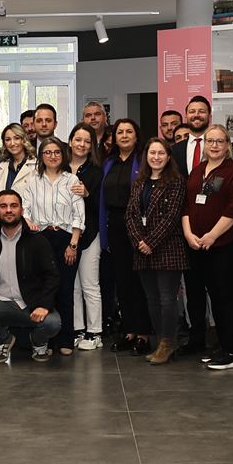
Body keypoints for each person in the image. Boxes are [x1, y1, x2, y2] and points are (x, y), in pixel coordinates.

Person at [184, 124, 233, 370]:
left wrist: (211, 236)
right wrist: (189, 234)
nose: (214, 145)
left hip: (222, 246)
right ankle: (220, 346)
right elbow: (187, 205)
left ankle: (230, 351)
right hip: (195, 245)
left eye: (220, 141)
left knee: (224, 298)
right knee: (201, 298)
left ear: (227, 145)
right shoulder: (198, 171)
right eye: (210, 141)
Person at [0, 190, 62, 361]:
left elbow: (52, 276)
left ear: (22, 210)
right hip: (1, 302)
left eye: (13, 206)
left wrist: (44, 305)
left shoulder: (37, 240)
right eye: (3, 206)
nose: (9, 210)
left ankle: (38, 342)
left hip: (32, 303)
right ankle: (3, 339)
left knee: (53, 323)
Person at [127, 138, 189, 364]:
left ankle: (168, 343)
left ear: (168, 157)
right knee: (151, 299)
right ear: (146, 156)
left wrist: (150, 242)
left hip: (167, 248)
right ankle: (161, 342)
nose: (156, 157)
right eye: (152, 153)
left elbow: (172, 217)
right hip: (142, 250)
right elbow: (130, 215)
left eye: (161, 153)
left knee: (166, 299)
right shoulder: (139, 182)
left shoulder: (176, 181)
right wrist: (139, 241)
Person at [26, 137, 86, 356]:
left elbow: (79, 215)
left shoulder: (72, 180)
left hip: (66, 239)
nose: (52, 156)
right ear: (41, 156)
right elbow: (24, 208)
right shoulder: (33, 180)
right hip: (40, 239)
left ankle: (66, 339)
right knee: (44, 289)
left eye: (57, 152)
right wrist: (28, 222)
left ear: (63, 155)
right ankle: (47, 339)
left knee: (65, 289)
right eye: (47, 152)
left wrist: (73, 244)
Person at [101, 120, 150, 356]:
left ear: (136, 136)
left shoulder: (143, 160)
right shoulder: (108, 162)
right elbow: (102, 199)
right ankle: (129, 331)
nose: (124, 135)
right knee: (122, 281)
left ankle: (143, 334)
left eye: (129, 131)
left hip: (138, 226)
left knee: (139, 282)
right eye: (119, 132)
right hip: (114, 226)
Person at [65, 125, 105, 350]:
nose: (81, 144)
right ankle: (78, 329)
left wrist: (88, 194)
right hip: (66, 234)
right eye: (78, 139)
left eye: (87, 141)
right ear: (70, 141)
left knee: (90, 284)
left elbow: (101, 206)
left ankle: (95, 332)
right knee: (72, 286)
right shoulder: (60, 166)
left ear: (92, 146)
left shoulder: (97, 171)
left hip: (89, 235)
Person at [0, 123, 38, 206]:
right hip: (4, 213)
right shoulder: (2, 167)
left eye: (17, 138)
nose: (12, 143)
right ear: (4, 143)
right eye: (8, 139)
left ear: (24, 140)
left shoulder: (36, 166)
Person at [175, 96, 212, 173]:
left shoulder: (218, 147)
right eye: (192, 111)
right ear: (186, 116)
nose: (196, 115)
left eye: (201, 111)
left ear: (209, 116)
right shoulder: (175, 150)